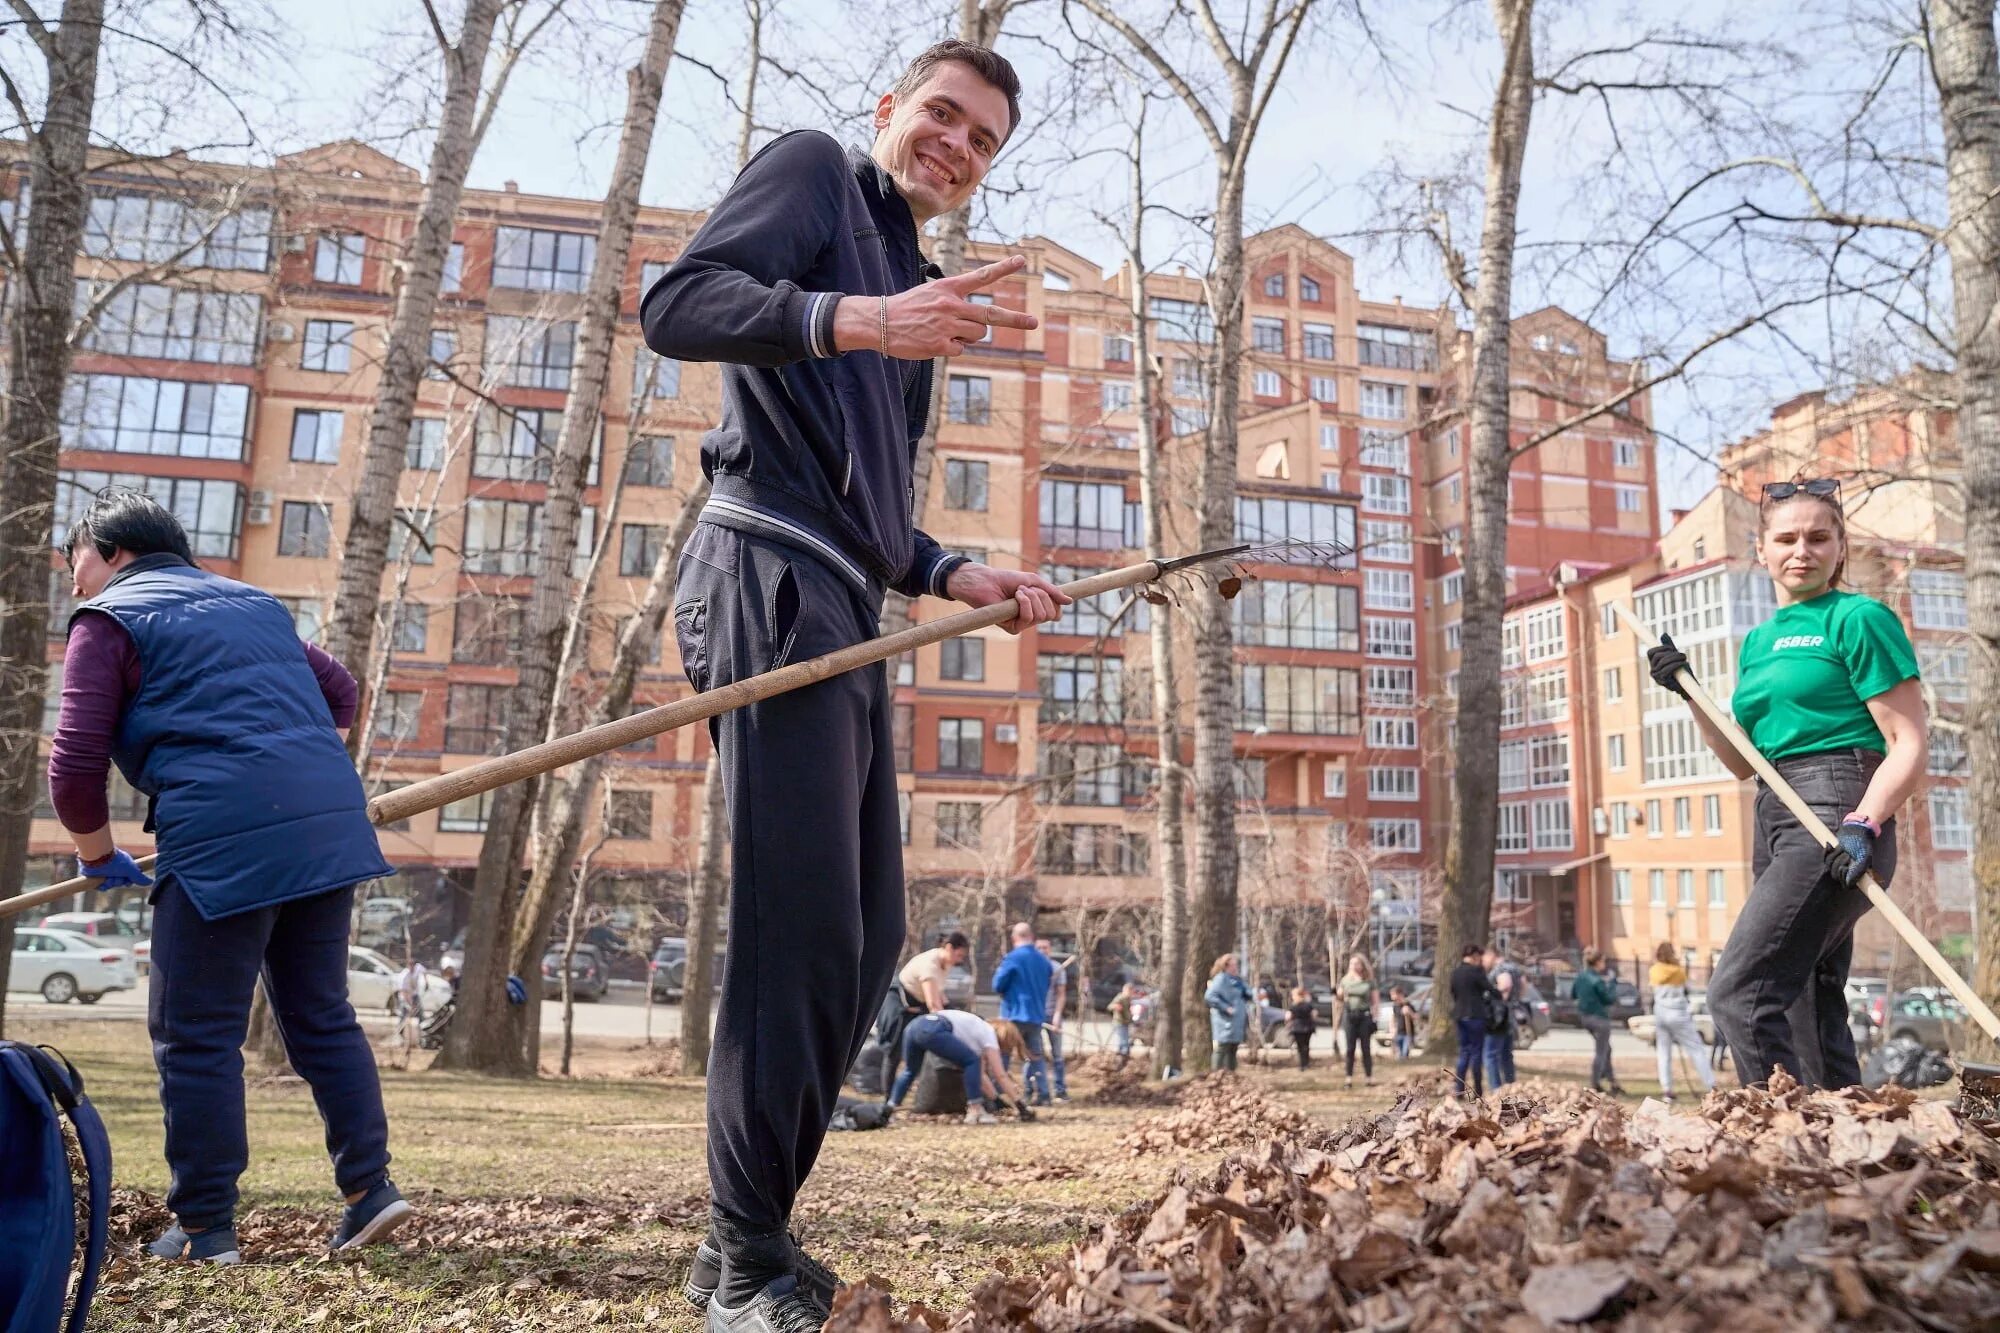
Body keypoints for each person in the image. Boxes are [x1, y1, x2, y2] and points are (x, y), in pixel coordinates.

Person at [643, 41, 1070, 1330]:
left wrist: (953, 569)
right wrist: (858, 319)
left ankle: (745, 1244)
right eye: (943, 114)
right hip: (763, 576)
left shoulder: (919, 288)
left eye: (983, 139)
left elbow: (876, 506)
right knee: (799, 933)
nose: (956, 144)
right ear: (890, 110)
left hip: (850, 601)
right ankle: (743, 1257)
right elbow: (678, 303)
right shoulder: (816, 175)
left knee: (869, 935)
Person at [45, 488, 408, 1264]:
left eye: (74, 556)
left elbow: (74, 763)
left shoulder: (109, 618)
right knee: (320, 1014)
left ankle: (205, 1227)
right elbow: (342, 695)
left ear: (112, 551)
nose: (72, 576)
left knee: (195, 1030)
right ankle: (370, 1190)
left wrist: (94, 850)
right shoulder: (253, 602)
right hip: (325, 819)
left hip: (222, 831)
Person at [1649, 478, 1925, 1092]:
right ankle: (1844, 1148)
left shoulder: (1860, 618)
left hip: (1838, 808)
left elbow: (1909, 743)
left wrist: (1864, 821)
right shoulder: (1760, 641)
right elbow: (1743, 761)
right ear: (1762, 549)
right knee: (1803, 999)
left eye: (1818, 537)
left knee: (1739, 992)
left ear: (1840, 547)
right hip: (1775, 810)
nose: (1802, 550)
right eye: (1787, 538)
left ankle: (1778, 1138)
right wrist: (1688, 691)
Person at [884, 1008, 1033, 1125]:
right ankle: (975, 1111)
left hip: (914, 1026)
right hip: (935, 1028)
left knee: (909, 1071)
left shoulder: (973, 1032)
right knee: (971, 1061)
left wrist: (995, 1099)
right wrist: (1020, 1105)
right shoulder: (988, 1032)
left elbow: (980, 1075)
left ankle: (888, 1110)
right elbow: (1000, 1074)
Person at [880, 932, 969, 1095]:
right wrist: (949, 1026)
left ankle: (912, 1092)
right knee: (894, 1053)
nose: (960, 960)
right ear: (949, 948)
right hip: (899, 1006)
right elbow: (933, 1005)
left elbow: (939, 993)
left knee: (917, 1053)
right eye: (959, 955)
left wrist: (953, 1011)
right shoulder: (930, 965)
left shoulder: (945, 964)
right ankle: (888, 1099)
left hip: (918, 1006)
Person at [992, 923, 1056, 1103]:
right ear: (1032, 937)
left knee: (1003, 1055)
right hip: (1036, 1015)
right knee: (1035, 1056)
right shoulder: (1044, 960)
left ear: (1014, 938)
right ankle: (1043, 1094)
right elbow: (1048, 981)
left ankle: (999, 1094)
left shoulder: (1012, 958)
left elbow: (998, 985)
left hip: (1013, 1015)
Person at [1650, 942, 1715, 1102]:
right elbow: (1688, 989)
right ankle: (1711, 1085)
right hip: (1678, 1014)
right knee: (1696, 1049)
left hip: (1660, 1014)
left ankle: (1667, 1090)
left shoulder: (1654, 971)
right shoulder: (1678, 972)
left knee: (1663, 1052)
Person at [1573, 951, 1626, 1097]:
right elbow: (1608, 998)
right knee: (1601, 1051)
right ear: (1597, 962)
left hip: (1585, 1017)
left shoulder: (1580, 977)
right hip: (1599, 1019)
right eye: (1603, 961)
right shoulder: (1596, 980)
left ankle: (1612, 1081)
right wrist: (1612, 984)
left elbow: (1573, 994)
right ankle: (1595, 1083)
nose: (1604, 964)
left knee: (1607, 1049)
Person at [1449, 944, 1493, 1098]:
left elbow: (1453, 993)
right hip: (1475, 1015)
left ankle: (1459, 1089)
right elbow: (1489, 989)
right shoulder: (1476, 972)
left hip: (1460, 1015)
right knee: (1476, 1053)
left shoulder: (1455, 973)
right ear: (1474, 955)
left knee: (1464, 1052)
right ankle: (1477, 1090)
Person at [1204, 954, 1253, 1071]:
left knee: (1233, 1048)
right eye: (1233, 965)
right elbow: (1210, 996)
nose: (1236, 968)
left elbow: (1248, 994)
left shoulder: (1237, 980)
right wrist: (1225, 1007)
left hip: (1236, 1021)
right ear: (1225, 966)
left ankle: (1231, 1075)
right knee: (1222, 1047)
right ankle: (1216, 1073)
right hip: (1225, 1021)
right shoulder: (1221, 979)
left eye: (1237, 965)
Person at [1035, 939, 1069, 1104]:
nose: (1042, 950)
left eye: (1045, 947)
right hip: (1035, 1017)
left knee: (1057, 1055)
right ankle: (1039, 1091)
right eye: (1039, 947)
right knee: (1036, 1055)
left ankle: (1060, 1090)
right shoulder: (1032, 969)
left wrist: (1057, 1014)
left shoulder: (1057, 968)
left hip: (1052, 1016)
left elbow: (1061, 994)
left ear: (1050, 949)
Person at [1338, 955, 1377, 1088]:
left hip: (1364, 1016)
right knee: (1350, 1048)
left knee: (1366, 1048)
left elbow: (1375, 1001)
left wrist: (1375, 1017)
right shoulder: (1345, 980)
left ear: (1362, 965)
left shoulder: (1369, 981)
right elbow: (1340, 996)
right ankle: (1348, 1079)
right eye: (1351, 963)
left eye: (1356, 963)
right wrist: (1336, 993)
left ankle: (1369, 1078)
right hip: (1349, 1016)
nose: (1354, 966)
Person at [1483, 969, 1517, 1091]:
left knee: (1492, 1056)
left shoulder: (1496, 996)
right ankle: (1509, 1084)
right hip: (1502, 1027)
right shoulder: (1503, 996)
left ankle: (1497, 1087)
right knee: (1505, 1056)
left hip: (1497, 1028)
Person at [1287, 986, 1318, 1071]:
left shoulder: (1293, 1006)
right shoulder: (1308, 1005)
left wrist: (1289, 1023)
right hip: (1308, 1027)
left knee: (1300, 1047)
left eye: (1293, 995)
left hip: (1297, 1028)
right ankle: (1306, 1064)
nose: (1292, 997)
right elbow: (1314, 1015)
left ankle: (1302, 1065)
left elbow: (1288, 1017)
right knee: (1306, 1046)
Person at [1108, 983, 1138, 1070]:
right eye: (1129, 991)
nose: (1130, 993)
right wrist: (1116, 1007)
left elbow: (1127, 1012)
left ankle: (1124, 1060)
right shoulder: (1120, 998)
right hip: (1119, 1023)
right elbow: (1110, 1006)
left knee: (1127, 1041)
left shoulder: (1128, 999)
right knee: (1123, 1042)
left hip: (1125, 1022)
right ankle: (1120, 1063)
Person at [1390, 986, 1419, 1062]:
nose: (1392, 997)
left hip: (1407, 1033)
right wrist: (1392, 1029)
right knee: (1399, 1053)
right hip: (1399, 1033)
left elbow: (1416, 1017)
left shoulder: (1408, 1005)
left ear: (1400, 994)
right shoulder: (1395, 1006)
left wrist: (1409, 1012)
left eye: (1393, 995)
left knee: (1405, 1053)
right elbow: (1394, 1018)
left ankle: (1405, 1064)